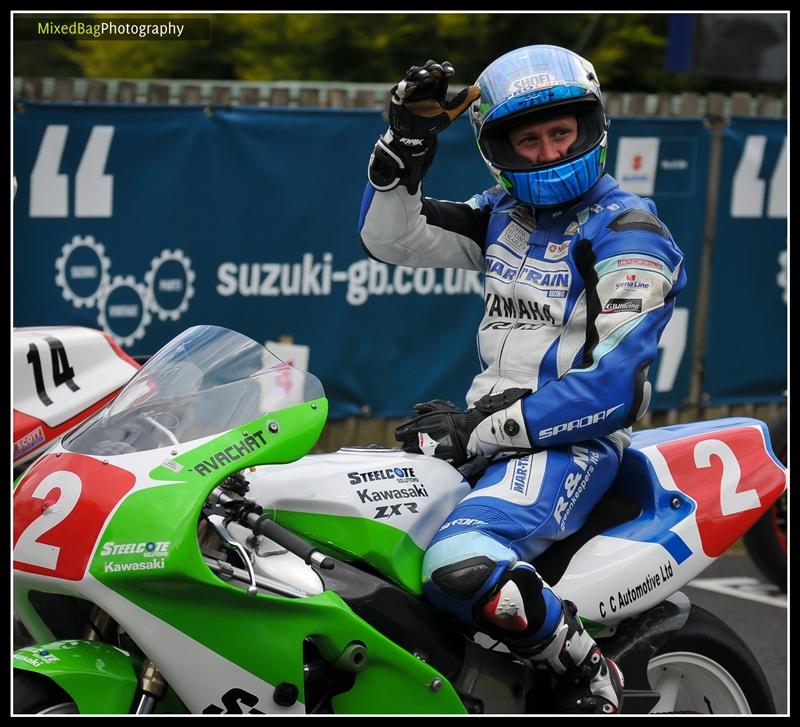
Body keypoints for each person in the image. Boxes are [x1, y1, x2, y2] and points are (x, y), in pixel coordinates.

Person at [358, 45, 686, 714]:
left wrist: (475, 428)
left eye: (560, 133)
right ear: (498, 145)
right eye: (528, 139)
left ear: (589, 128)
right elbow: (393, 239)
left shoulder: (629, 232)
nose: (545, 153)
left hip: (573, 447)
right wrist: (404, 148)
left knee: (460, 566)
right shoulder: (505, 212)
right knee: (356, 545)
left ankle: (590, 675)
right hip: (490, 441)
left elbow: (612, 389)